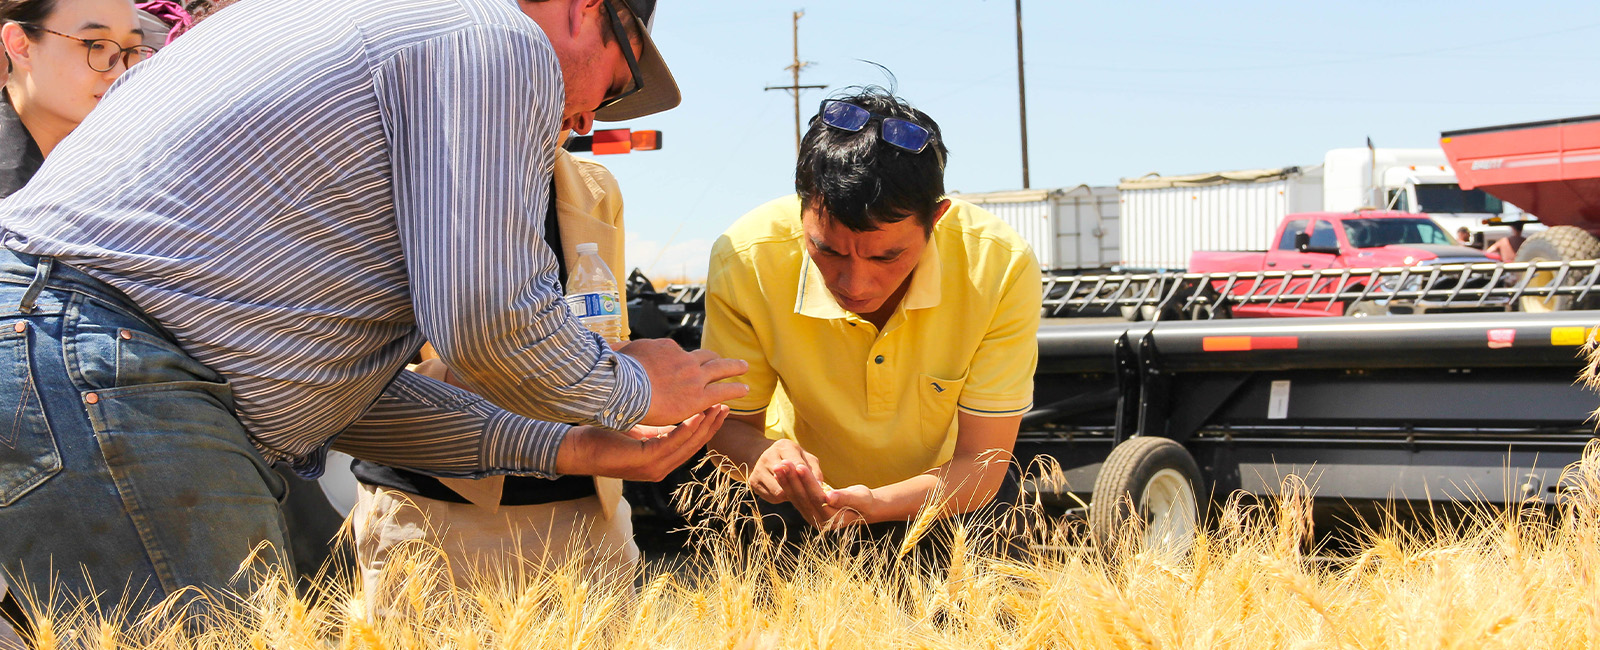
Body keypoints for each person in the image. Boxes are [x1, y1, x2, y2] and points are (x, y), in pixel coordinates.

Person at [0, 0, 746, 616]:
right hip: (99, 367)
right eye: (615, 88)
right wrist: (639, 386)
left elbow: (350, 400)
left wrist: (569, 447)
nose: (585, 122)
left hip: (58, 358)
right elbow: (487, 322)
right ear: (587, 9)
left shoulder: (331, 26)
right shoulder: (493, 34)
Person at [701, 89, 1041, 552]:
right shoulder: (747, 258)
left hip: (952, 502)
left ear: (937, 218)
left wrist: (874, 504)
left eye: (887, 255)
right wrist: (761, 456)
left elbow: (981, 464)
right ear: (802, 208)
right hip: (799, 506)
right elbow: (725, 425)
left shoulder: (998, 266)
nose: (856, 283)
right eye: (828, 250)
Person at [350, 137, 644, 598]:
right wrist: (507, 378)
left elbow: (606, 331)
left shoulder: (597, 188)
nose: (590, 118)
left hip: (587, 513)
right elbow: (346, 376)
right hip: (436, 511)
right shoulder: (395, 169)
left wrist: (632, 398)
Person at [0, 0, 148, 636]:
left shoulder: (138, 164)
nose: (117, 68)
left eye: (133, 49)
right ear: (19, 43)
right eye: (94, 46)